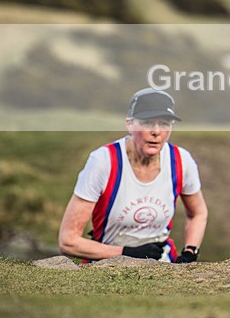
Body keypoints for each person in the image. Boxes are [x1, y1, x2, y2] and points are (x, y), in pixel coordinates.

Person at [59, 88, 208, 263]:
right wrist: (126, 252)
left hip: (163, 266)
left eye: (165, 123)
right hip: (105, 266)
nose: (156, 131)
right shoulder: (103, 161)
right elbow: (68, 241)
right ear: (129, 124)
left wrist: (190, 252)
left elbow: (198, 212)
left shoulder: (181, 160)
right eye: (147, 123)